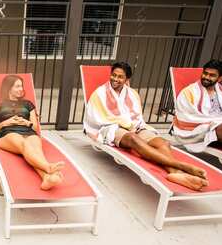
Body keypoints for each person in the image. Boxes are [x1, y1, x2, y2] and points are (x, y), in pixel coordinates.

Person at [85, 62, 209, 190]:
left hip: (134, 126)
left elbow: (137, 115)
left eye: (120, 77)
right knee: (133, 139)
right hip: (110, 127)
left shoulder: (132, 94)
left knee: (163, 143)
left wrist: (131, 124)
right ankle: (182, 166)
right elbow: (96, 118)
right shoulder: (99, 93)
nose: (115, 79)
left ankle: (175, 173)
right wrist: (122, 122)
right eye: (114, 75)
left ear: (127, 79)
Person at [0, 74, 65, 190]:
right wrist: (6, 122)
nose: (21, 89)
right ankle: (48, 168)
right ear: (9, 88)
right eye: (17, 86)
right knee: (25, 144)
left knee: (36, 149)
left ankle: (46, 178)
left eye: (21, 86)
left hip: (28, 132)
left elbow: (35, 127)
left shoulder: (28, 104)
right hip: (7, 134)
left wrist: (26, 122)